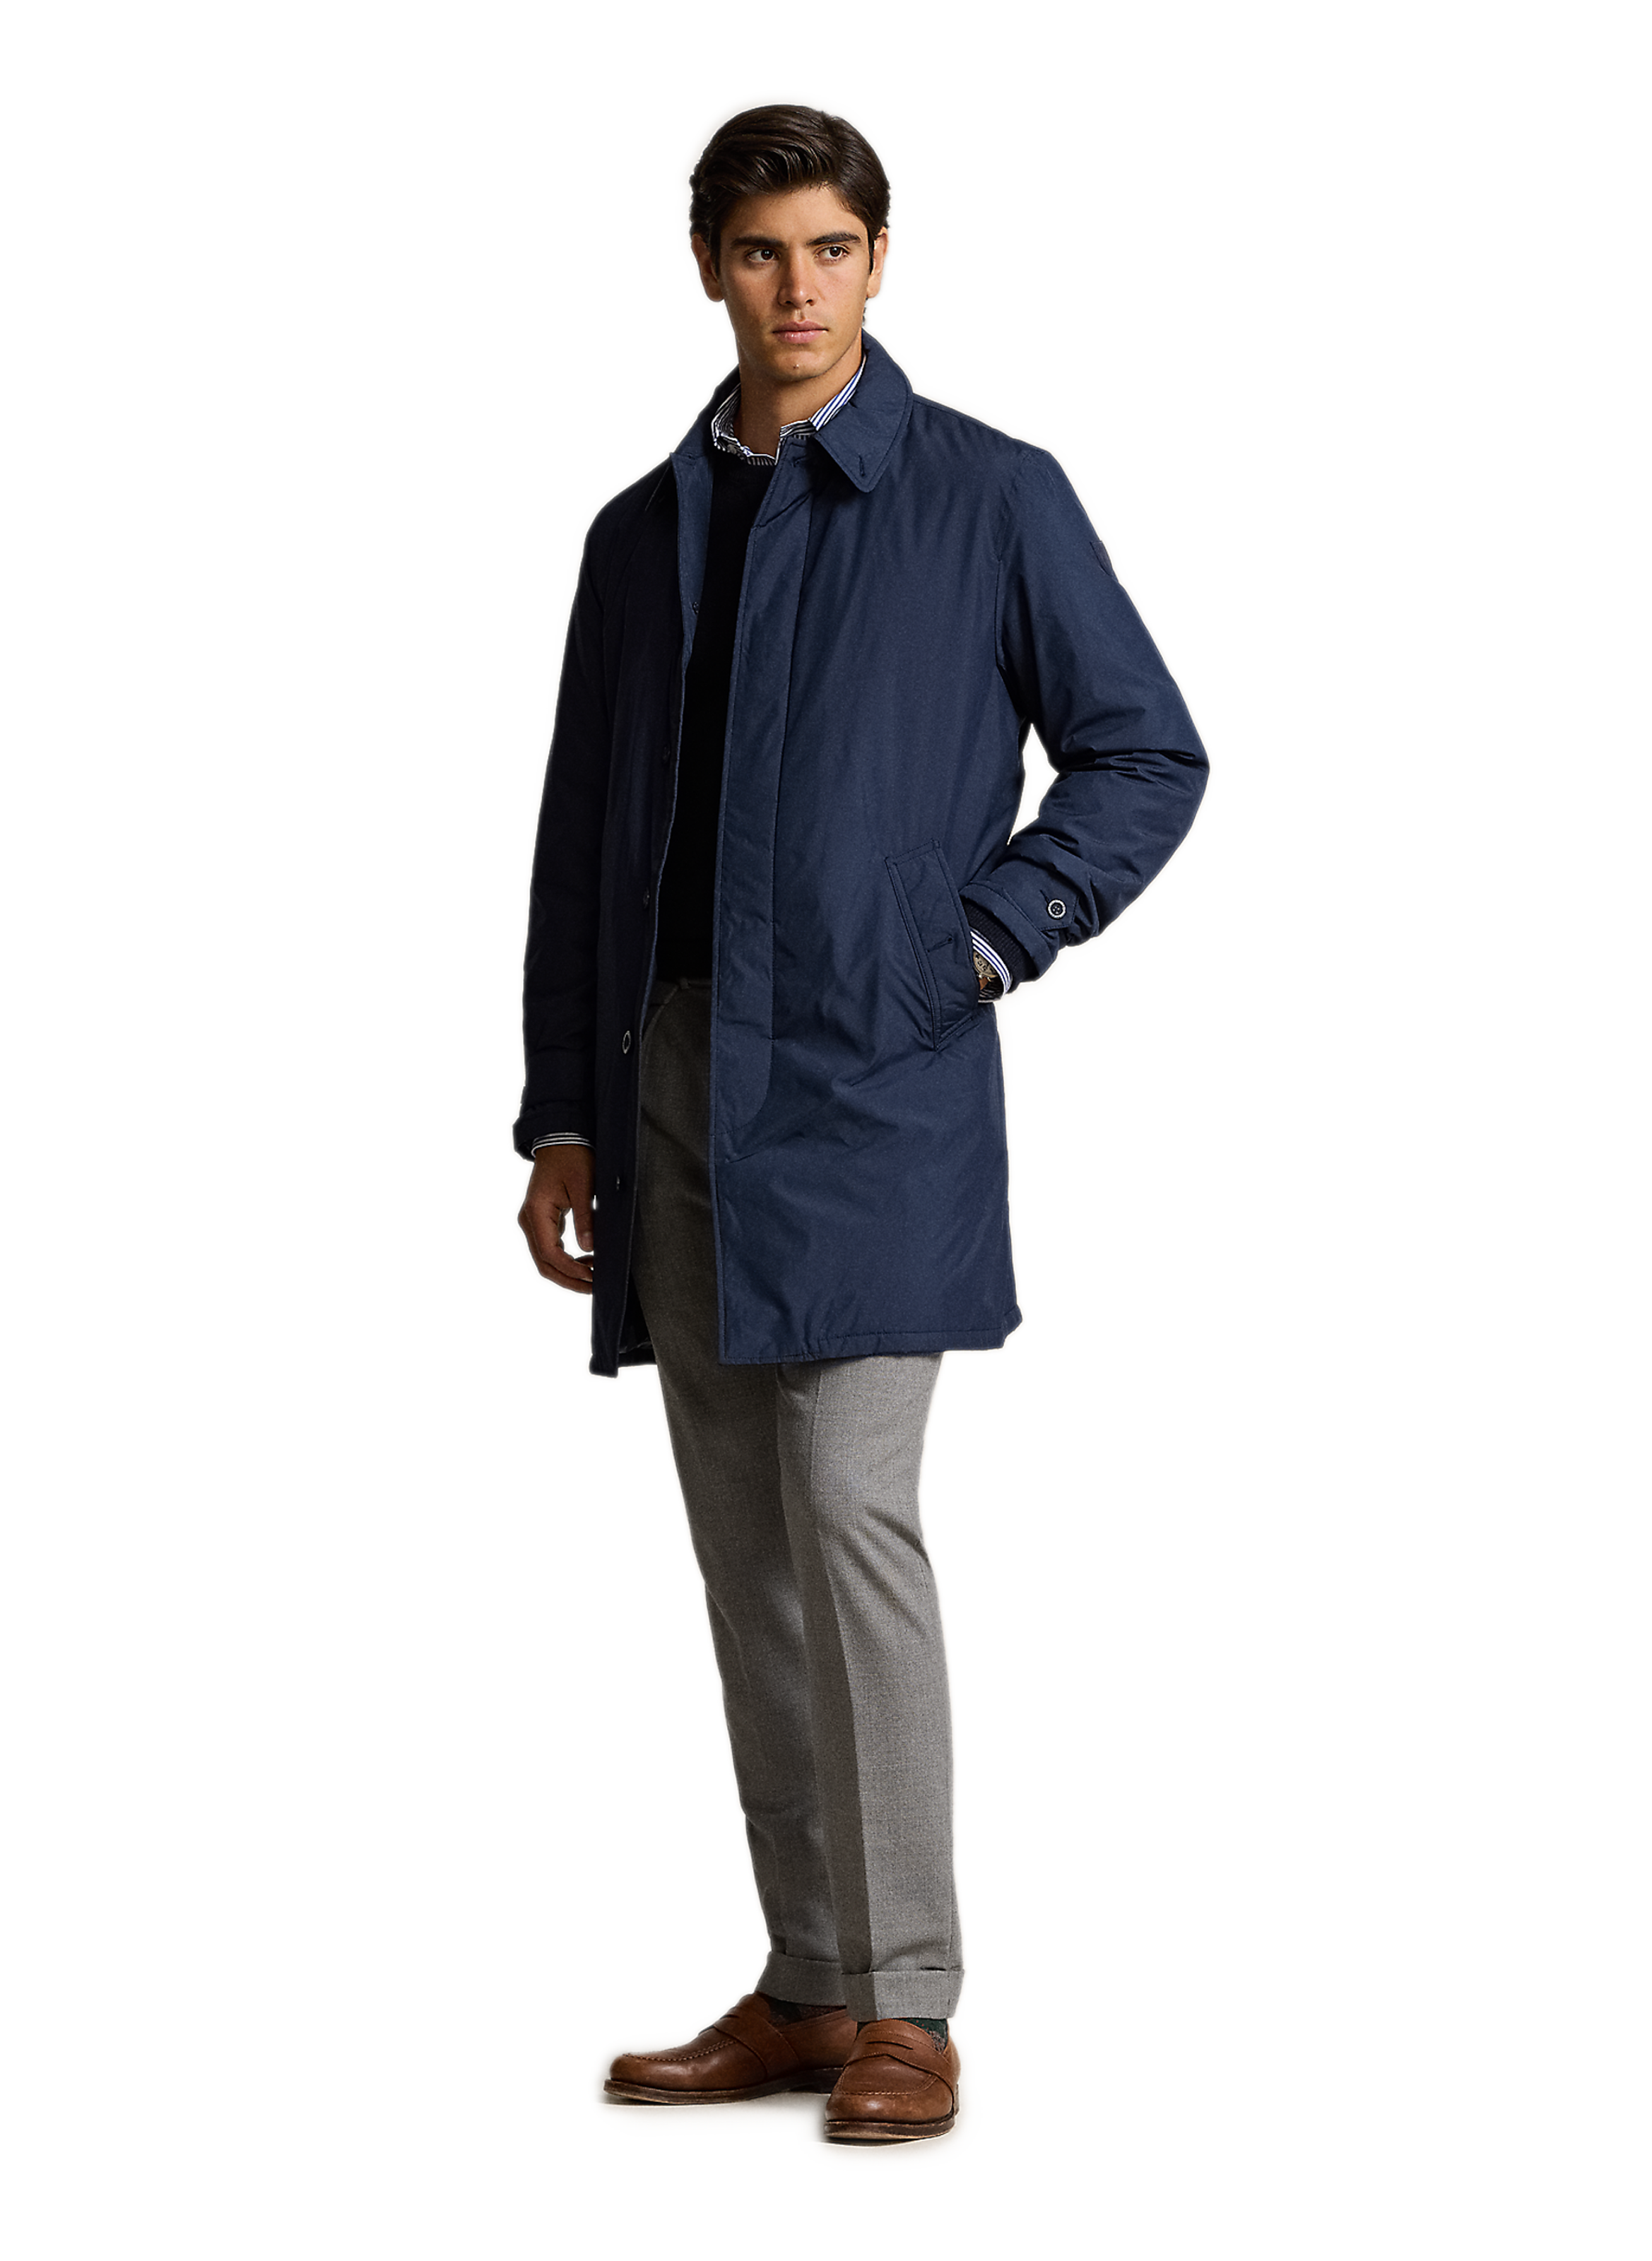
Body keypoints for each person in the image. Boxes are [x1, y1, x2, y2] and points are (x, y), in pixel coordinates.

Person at [514, 104, 1208, 2144]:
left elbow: (1145, 754)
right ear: (709, 268)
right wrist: (562, 1115)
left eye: (831, 247)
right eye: (761, 250)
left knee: (851, 1524)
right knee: (748, 1558)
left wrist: (986, 935)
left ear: (880, 261)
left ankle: (912, 1997)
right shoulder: (637, 533)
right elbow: (581, 845)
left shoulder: (988, 495)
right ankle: (811, 1979)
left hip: (871, 1080)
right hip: (671, 1085)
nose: (798, 287)